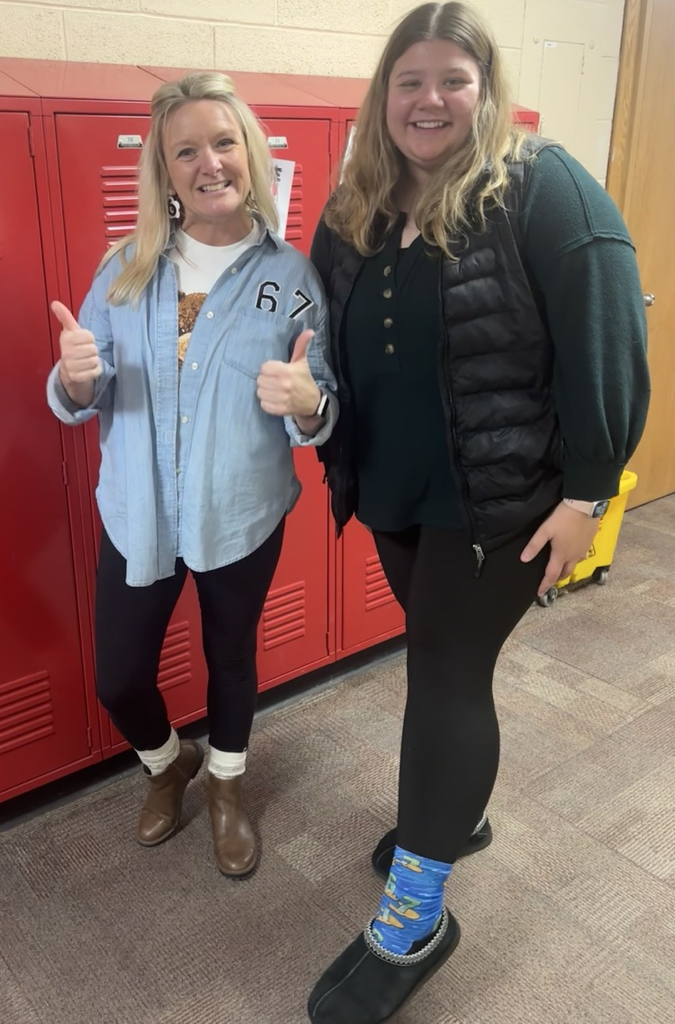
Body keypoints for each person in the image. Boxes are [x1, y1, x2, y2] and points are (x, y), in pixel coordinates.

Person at [307, 3, 649, 1021]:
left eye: (452, 78)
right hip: (394, 491)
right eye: (408, 80)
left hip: (501, 503)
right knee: (441, 662)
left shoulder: (540, 187)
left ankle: (416, 912)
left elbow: (607, 335)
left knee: (446, 677)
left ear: (485, 89)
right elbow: (325, 329)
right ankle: (451, 813)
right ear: (384, 96)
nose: (429, 99)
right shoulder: (359, 203)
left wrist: (589, 491)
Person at [47, 72, 337, 879]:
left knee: (232, 656)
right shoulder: (124, 270)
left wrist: (309, 403)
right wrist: (73, 380)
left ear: (248, 152)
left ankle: (225, 787)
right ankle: (167, 762)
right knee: (119, 677)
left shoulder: (289, 277)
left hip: (239, 510)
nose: (208, 162)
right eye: (185, 150)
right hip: (137, 510)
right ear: (165, 171)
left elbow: (320, 411)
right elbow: (83, 390)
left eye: (222, 141)